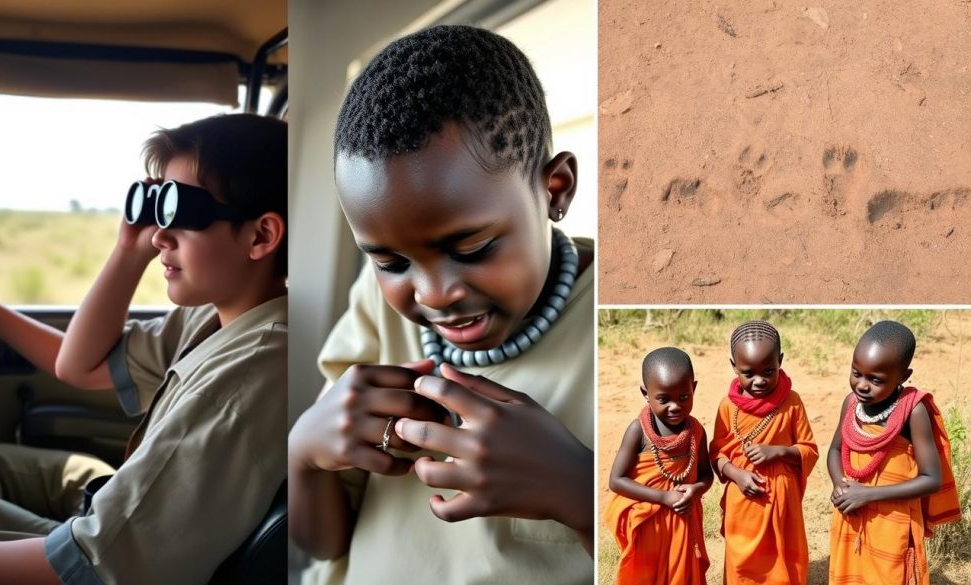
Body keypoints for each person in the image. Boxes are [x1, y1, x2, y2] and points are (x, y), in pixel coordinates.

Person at [287, 25, 594, 584]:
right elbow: (322, 544)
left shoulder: (617, 320)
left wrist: (579, 491)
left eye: (471, 249)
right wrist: (304, 454)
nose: (432, 295)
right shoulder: (377, 307)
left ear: (555, 189)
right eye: (391, 263)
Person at [0, 113, 287, 585]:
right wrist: (129, 252)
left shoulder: (249, 372)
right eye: (156, 206)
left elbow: (94, 566)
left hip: (115, 561)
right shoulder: (212, 316)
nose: (159, 235)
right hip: (122, 522)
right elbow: (78, 364)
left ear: (261, 236)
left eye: (179, 210)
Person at [827, 320, 961, 584]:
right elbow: (834, 450)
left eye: (876, 379)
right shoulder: (851, 403)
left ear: (903, 376)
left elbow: (931, 479)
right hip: (851, 514)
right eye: (856, 373)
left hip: (892, 521)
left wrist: (867, 495)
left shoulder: (913, 411)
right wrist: (838, 484)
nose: (862, 385)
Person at [708, 320, 818, 584]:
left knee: (783, 558)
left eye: (768, 371)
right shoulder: (727, 407)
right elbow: (717, 452)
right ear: (734, 365)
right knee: (742, 560)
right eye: (748, 373)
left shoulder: (792, 402)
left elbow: (809, 449)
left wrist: (778, 452)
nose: (759, 381)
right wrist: (736, 474)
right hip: (742, 497)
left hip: (782, 498)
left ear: (780, 360)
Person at [604, 347, 712, 585]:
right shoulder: (638, 431)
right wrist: (663, 497)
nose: (675, 406)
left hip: (683, 518)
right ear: (646, 393)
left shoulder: (696, 432)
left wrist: (695, 491)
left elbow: (706, 475)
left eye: (683, 397)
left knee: (681, 574)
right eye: (664, 399)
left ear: (693, 388)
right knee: (647, 575)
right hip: (648, 524)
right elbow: (616, 480)